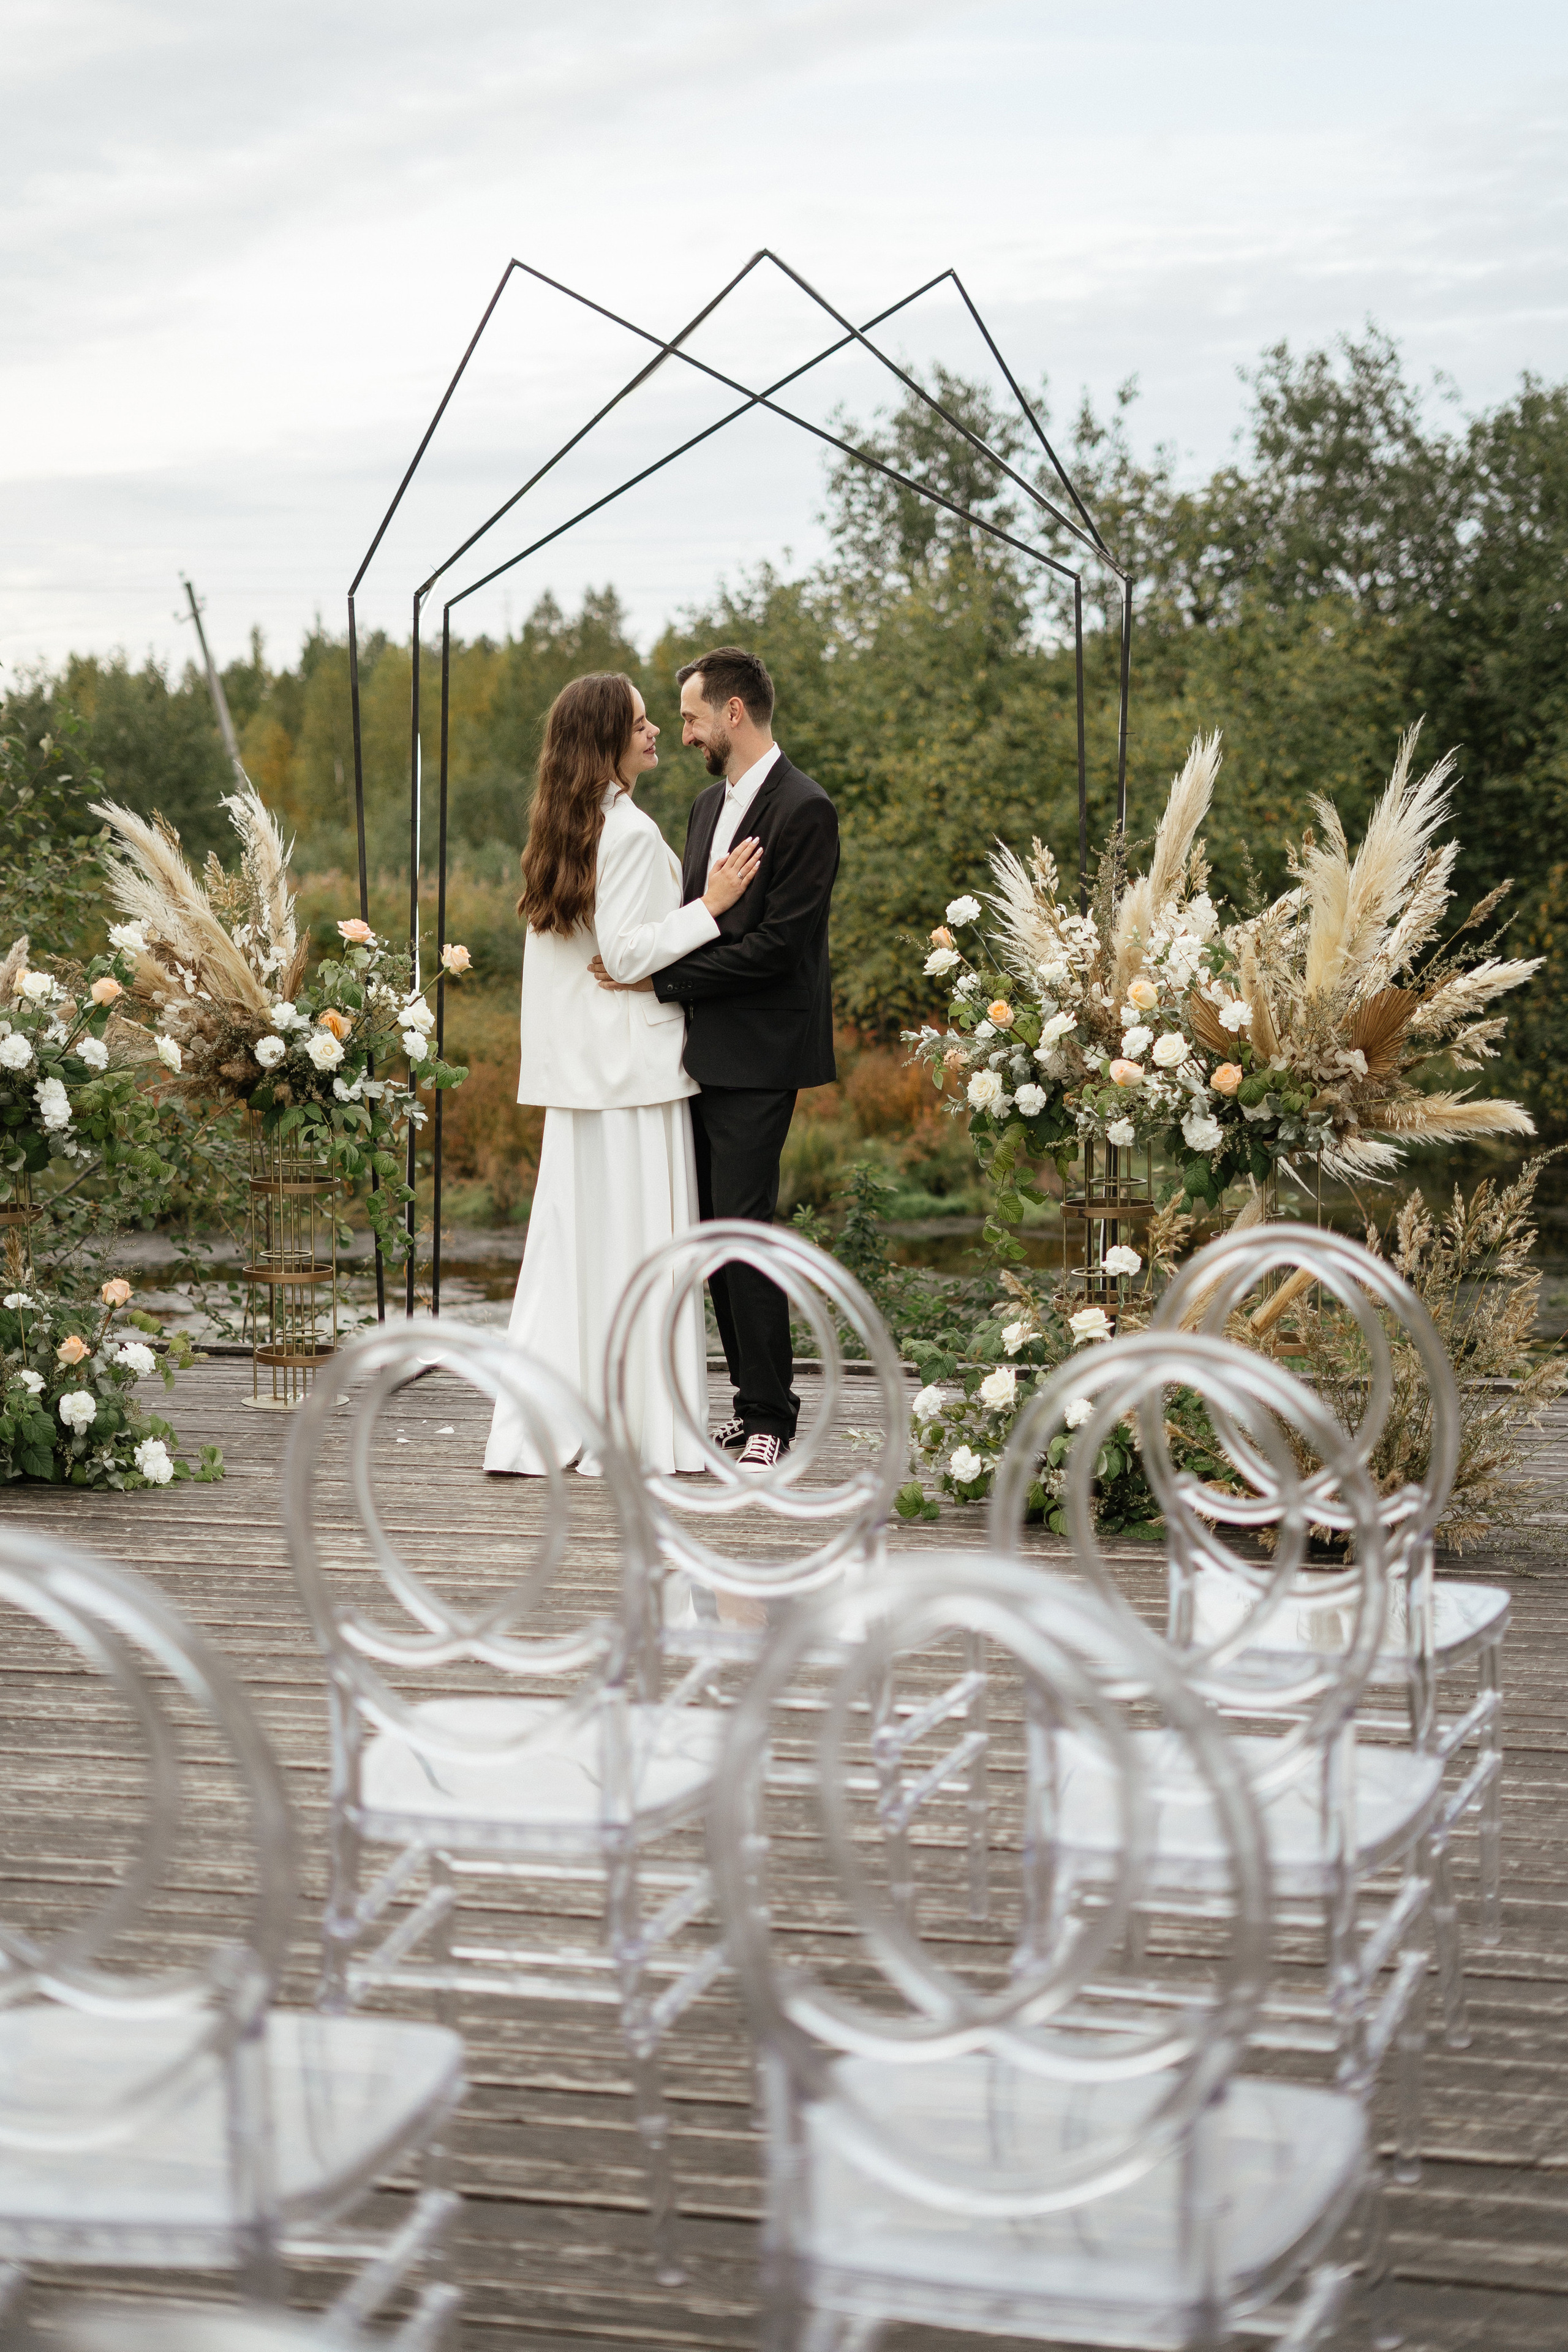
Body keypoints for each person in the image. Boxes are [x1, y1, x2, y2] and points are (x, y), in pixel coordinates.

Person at [484, 671, 761, 1477]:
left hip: (581, 1080)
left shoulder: (566, 826)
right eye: (640, 723)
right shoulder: (630, 831)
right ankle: (642, 1426)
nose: (655, 735)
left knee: (572, 1256)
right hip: (634, 1077)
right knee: (644, 1254)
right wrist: (710, 903)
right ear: (606, 740)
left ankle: (544, 1423)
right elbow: (629, 953)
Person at [590, 646, 839, 1469]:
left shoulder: (806, 810)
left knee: (740, 1231)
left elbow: (777, 950)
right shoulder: (704, 810)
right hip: (695, 1055)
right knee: (704, 1234)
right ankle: (746, 1402)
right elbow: (699, 914)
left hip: (762, 1054)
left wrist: (662, 982)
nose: (684, 731)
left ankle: (772, 1416)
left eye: (693, 716)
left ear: (734, 713)